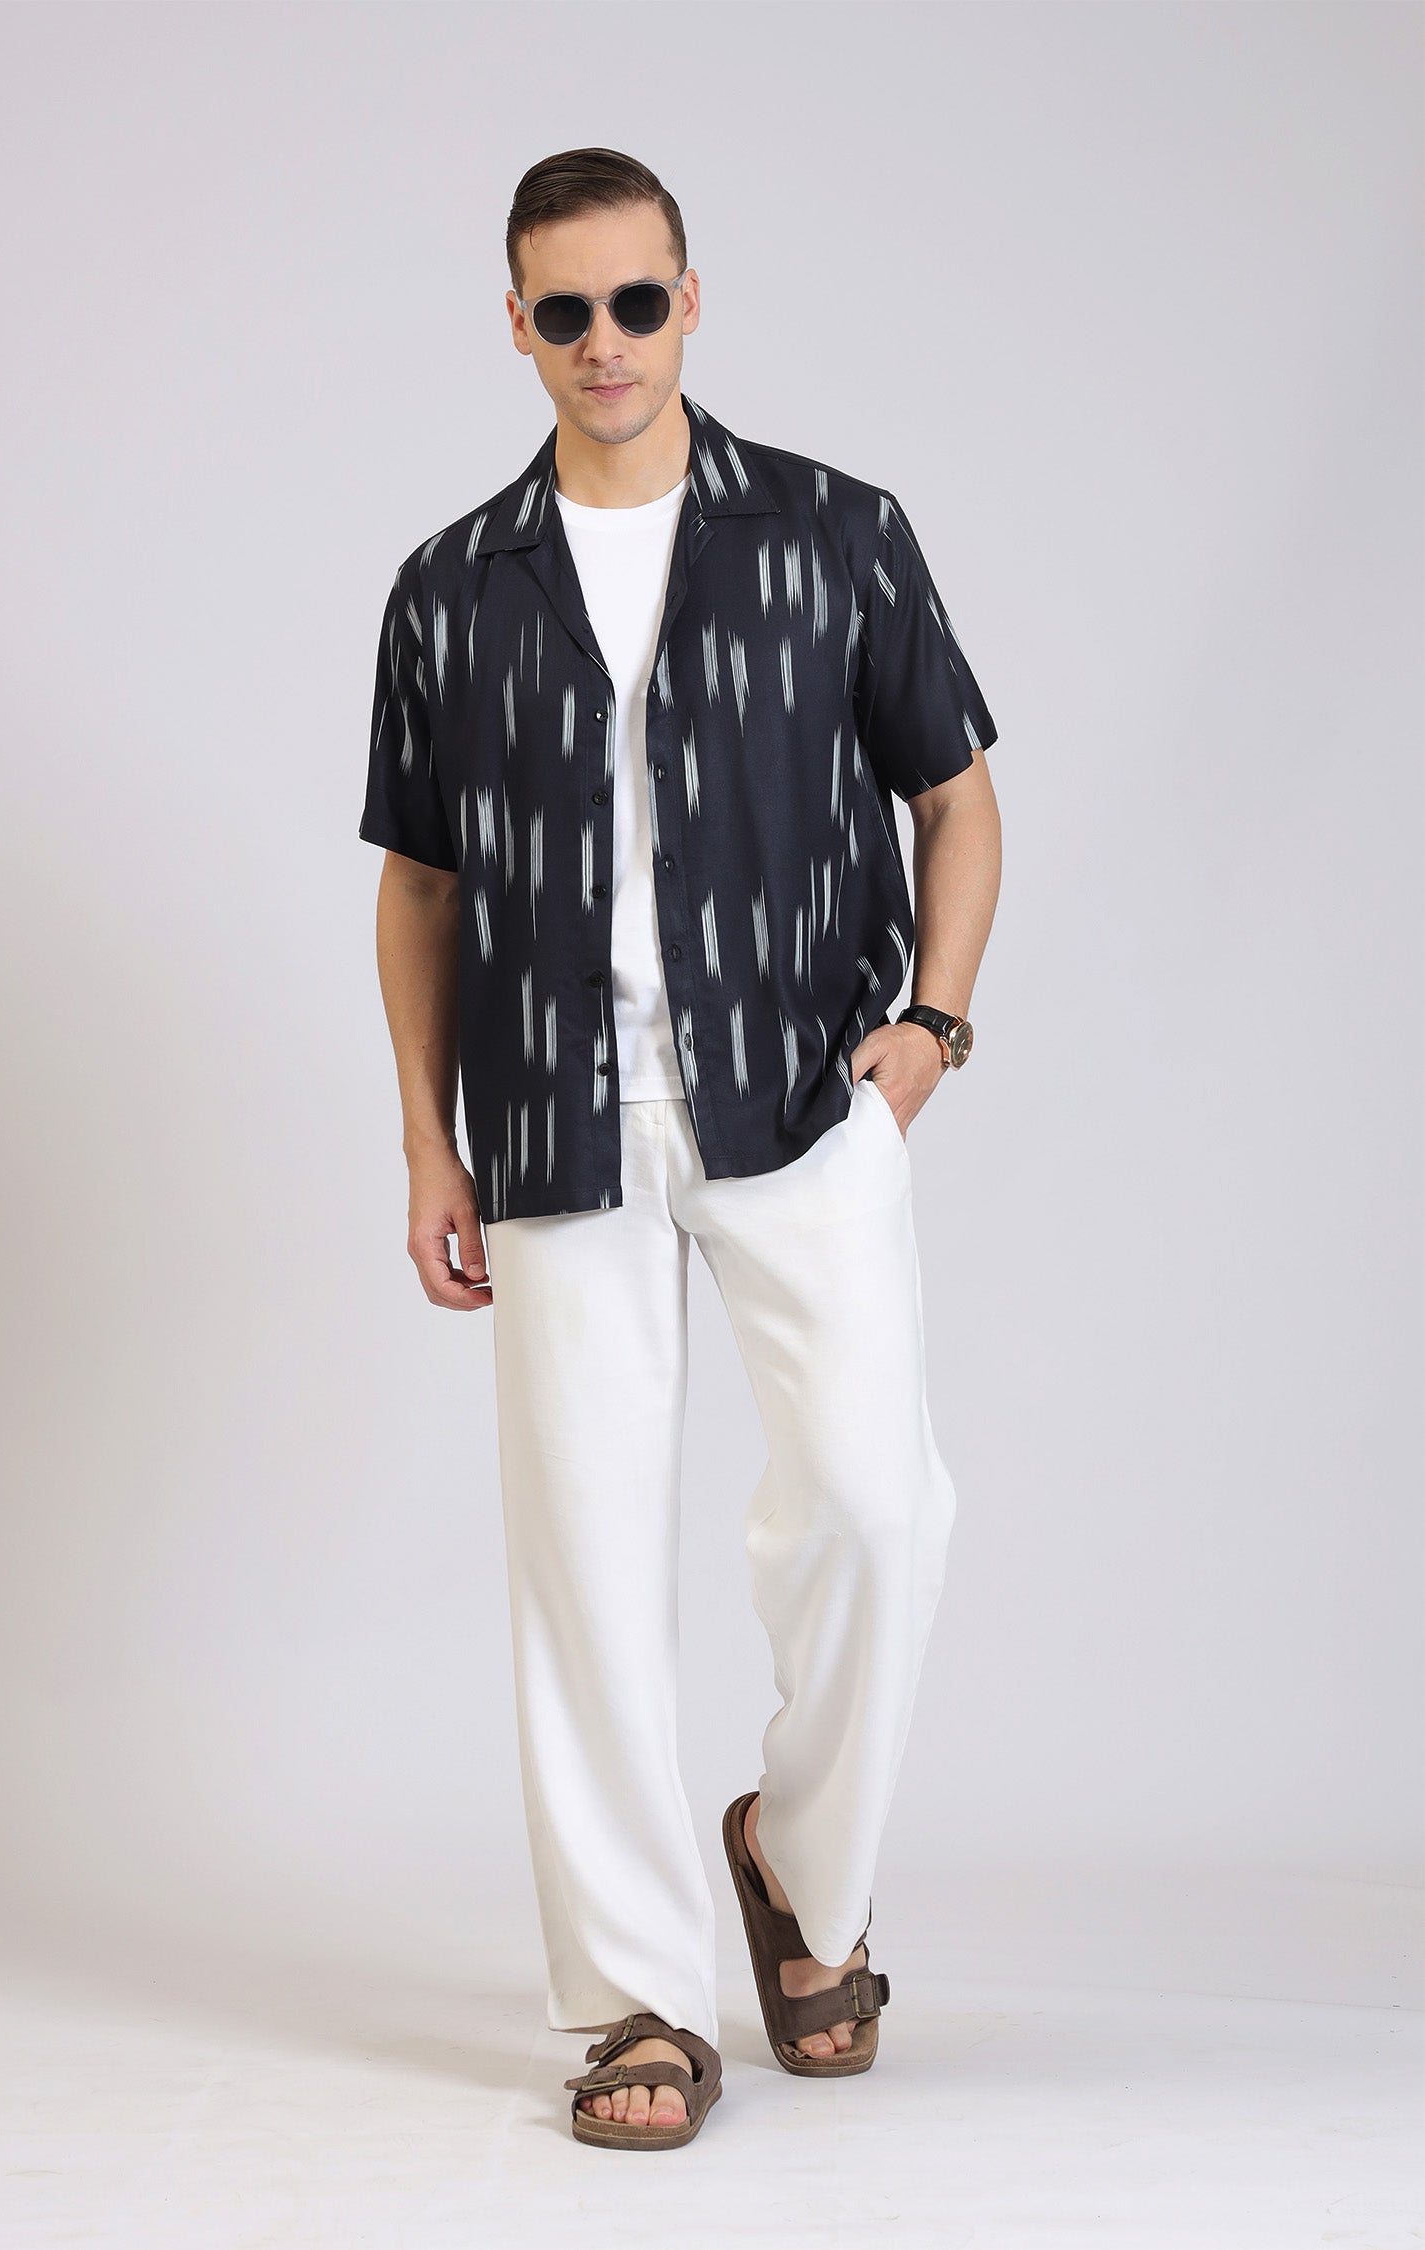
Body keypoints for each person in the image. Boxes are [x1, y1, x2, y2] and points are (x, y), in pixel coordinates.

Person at [359, 145, 1003, 2149]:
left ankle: (803, 1870)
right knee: (583, 1562)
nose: (607, 343)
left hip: (802, 1097)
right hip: (554, 1113)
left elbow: (958, 798)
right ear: (518, 323)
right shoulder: (453, 586)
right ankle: (637, 1995)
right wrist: (427, 1142)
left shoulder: (834, 533)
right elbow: (418, 884)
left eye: (638, 302)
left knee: (880, 1511)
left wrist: (927, 1036)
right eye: (565, 311)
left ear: (691, 299)